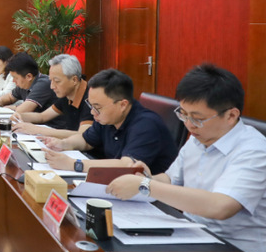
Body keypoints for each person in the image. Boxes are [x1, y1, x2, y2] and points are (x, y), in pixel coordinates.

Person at [106, 64, 266, 252]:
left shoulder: (253, 151)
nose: (189, 125)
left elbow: (220, 207)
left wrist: (146, 186)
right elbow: (171, 179)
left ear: (231, 115)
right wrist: (145, 177)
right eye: (183, 114)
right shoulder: (200, 139)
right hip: (200, 248)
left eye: (198, 118)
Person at [42, 68, 177, 174]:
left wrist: (74, 164)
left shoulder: (146, 125)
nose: (92, 112)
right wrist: (63, 144)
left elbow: (127, 166)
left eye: (97, 107)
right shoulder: (107, 117)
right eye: (91, 105)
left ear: (122, 105)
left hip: (151, 196)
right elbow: (86, 140)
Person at [12, 53, 92, 139]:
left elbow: (82, 135)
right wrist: (20, 116)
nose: (52, 86)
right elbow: (42, 117)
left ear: (74, 80)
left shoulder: (91, 98)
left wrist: (37, 130)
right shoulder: (67, 94)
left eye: (57, 81)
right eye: (51, 81)